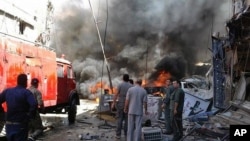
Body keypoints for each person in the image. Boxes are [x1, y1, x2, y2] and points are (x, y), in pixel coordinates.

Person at [0, 73, 37, 141]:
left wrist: (2, 112)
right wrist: (30, 116)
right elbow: (34, 104)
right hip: (21, 125)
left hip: (9, 124)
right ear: (26, 82)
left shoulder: (8, 91)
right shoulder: (26, 93)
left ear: (17, 81)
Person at [111, 74, 133, 139]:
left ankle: (118, 135)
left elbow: (116, 94)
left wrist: (113, 103)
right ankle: (126, 134)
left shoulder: (120, 85)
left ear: (123, 78)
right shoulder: (131, 86)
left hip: (120, 104)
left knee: (119, 119)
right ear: (128, 79)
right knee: (127, 120)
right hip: (128, 104)